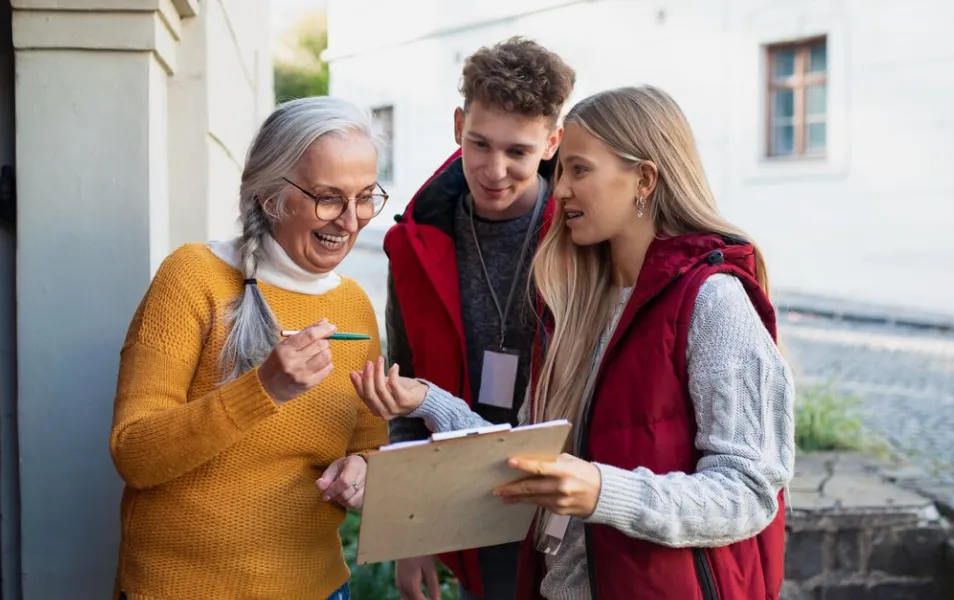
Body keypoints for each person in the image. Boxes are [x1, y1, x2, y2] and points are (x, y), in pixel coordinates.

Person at [354, 85, 795, 600]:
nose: (558, 189)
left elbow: (749, 491)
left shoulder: (713, 303)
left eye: (578, 170)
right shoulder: (576, 302)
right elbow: (534, 457)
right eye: (560, 170)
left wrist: (603, 492)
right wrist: (429, 401)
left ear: (644, 180)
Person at [108, 96, 389, 600]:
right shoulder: (194, 277)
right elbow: (134, 453)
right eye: (329, 198)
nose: (351, 221)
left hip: (318, 588)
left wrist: (364, 469)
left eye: (365, 196)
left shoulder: (355, 306)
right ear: (270, 197)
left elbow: (369, 442)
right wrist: (262, 390)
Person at [381, 36, 575, 600]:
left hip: (573, 501)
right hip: (470, 502)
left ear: (552, 141)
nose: (494, 170)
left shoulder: (585, 234)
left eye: (517, 151)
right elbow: (404, 388)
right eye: (479, 144)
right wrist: (410, 528)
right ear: (459, 123)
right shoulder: (412, 244)